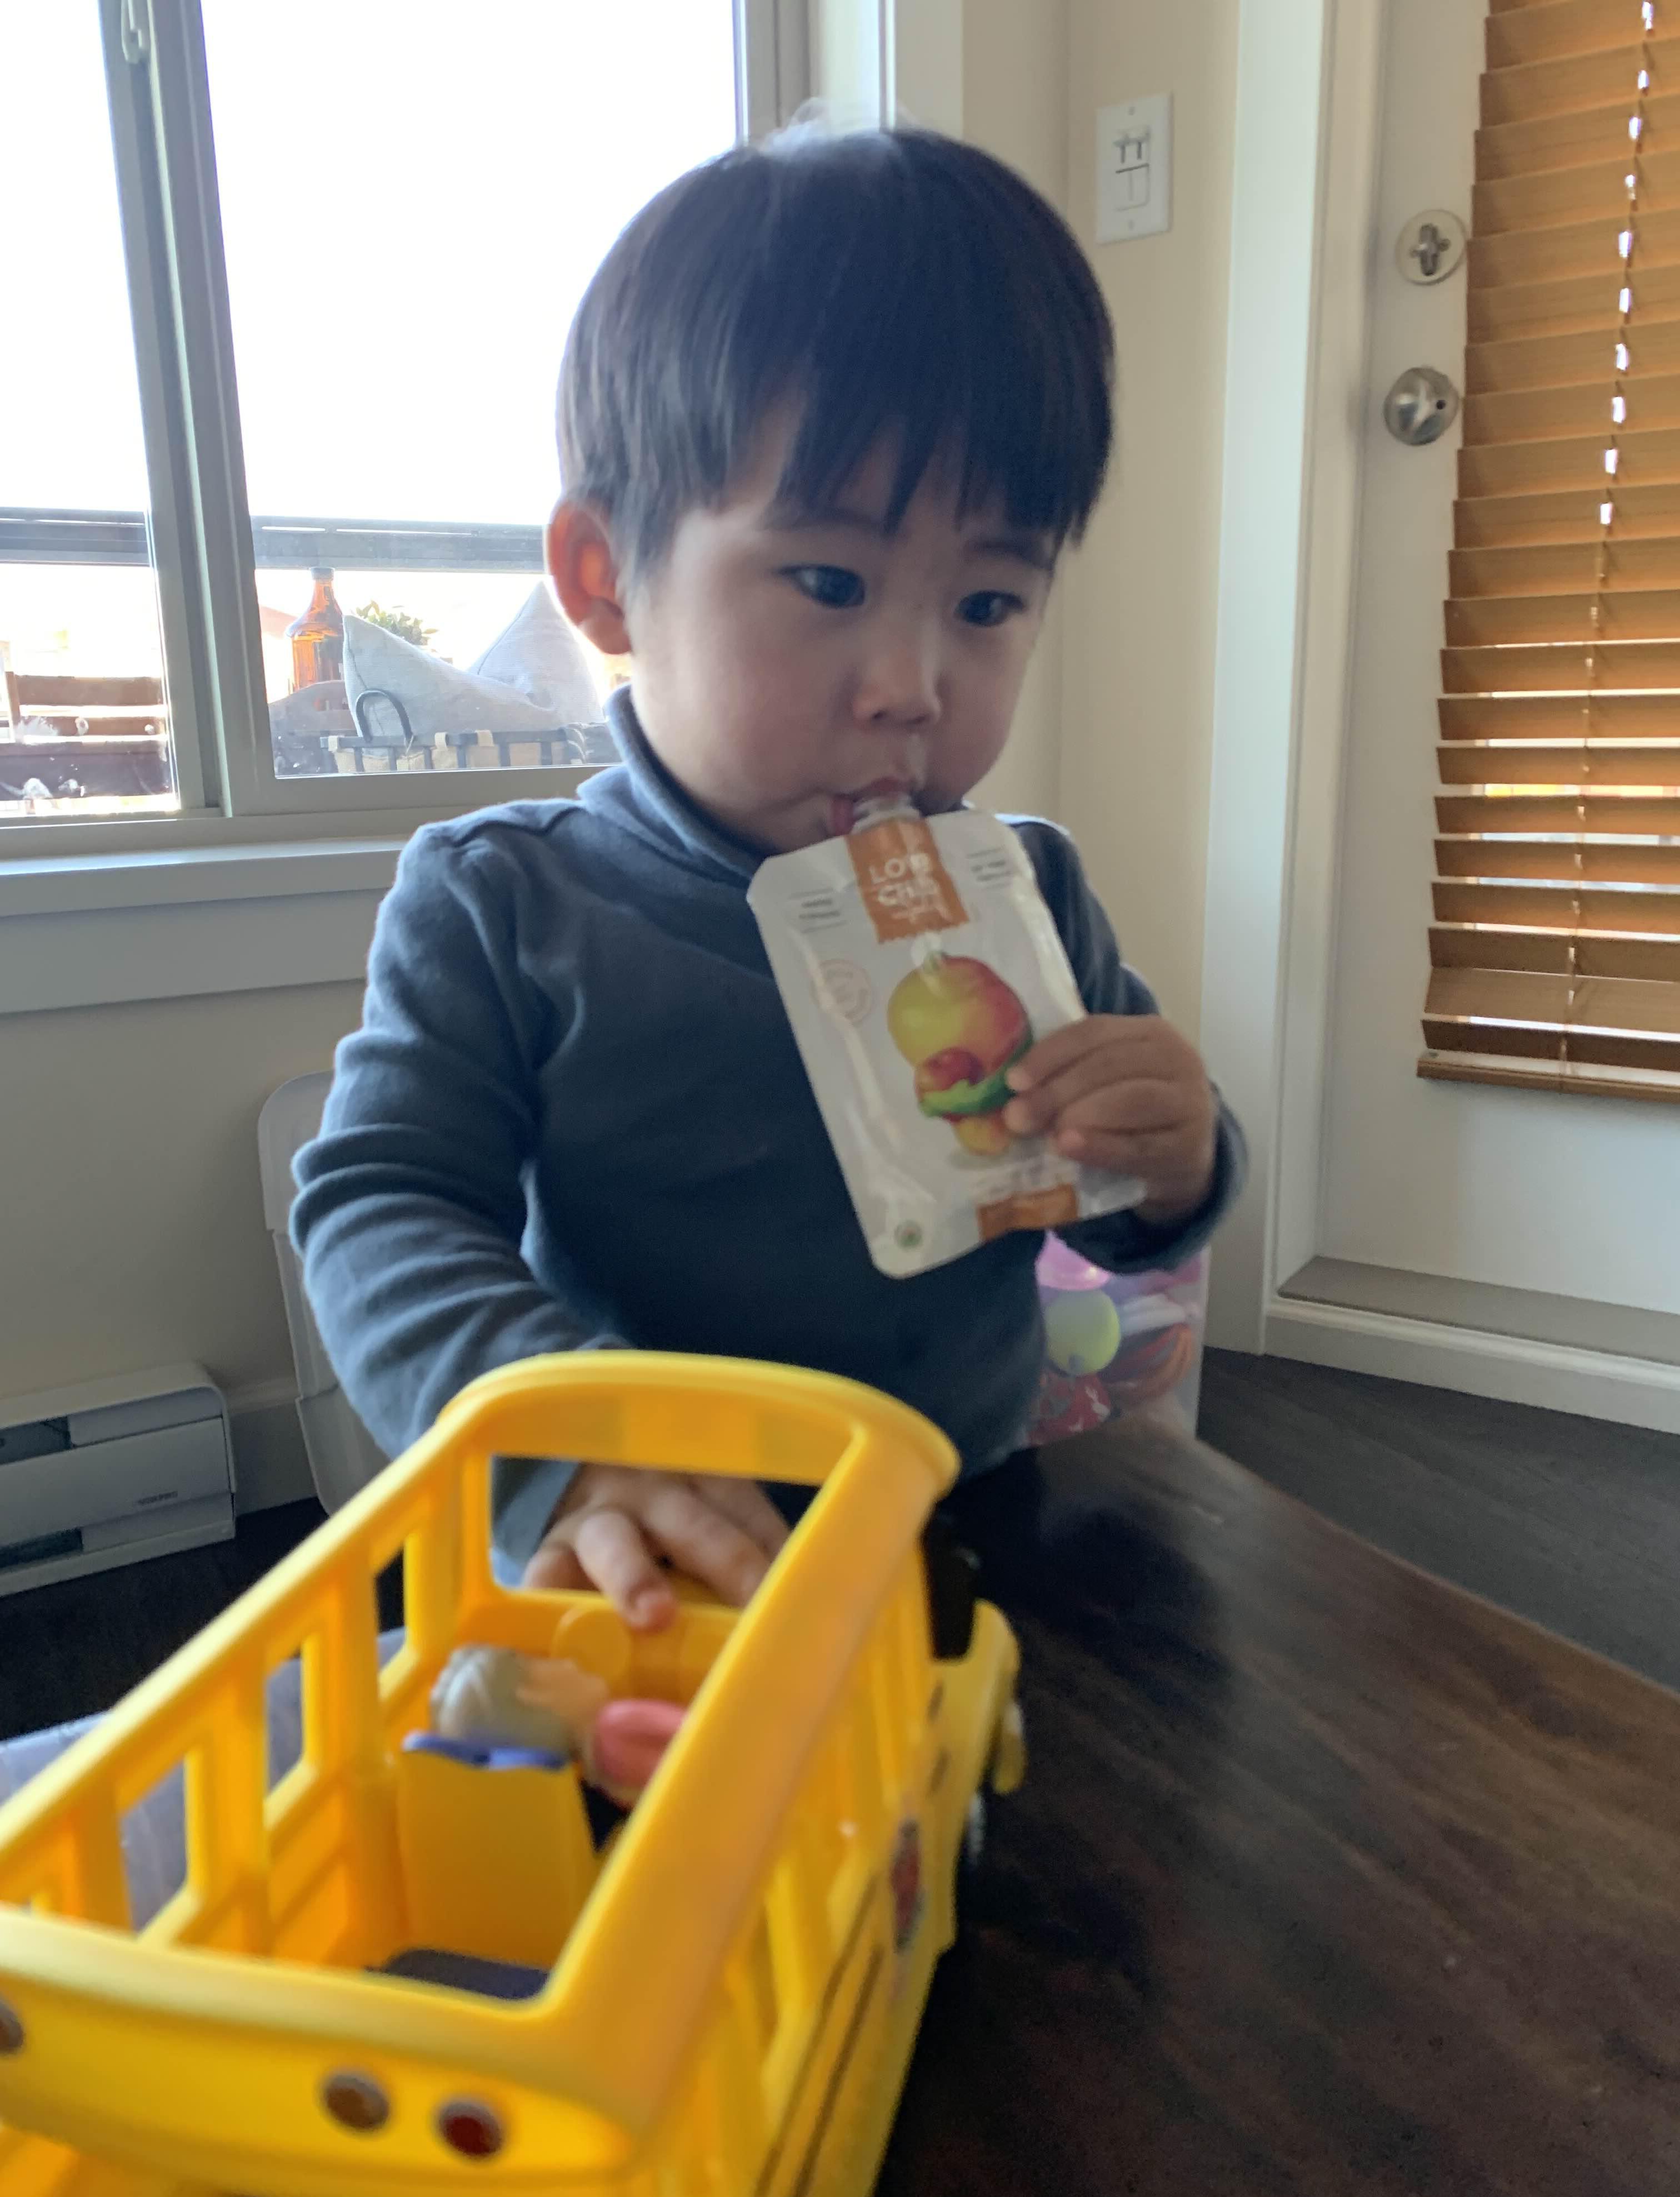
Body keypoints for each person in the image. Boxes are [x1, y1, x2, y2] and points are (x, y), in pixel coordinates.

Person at [292, 123, 1245, 1630]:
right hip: (638, 1574)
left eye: (988, 602)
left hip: (958, 1531)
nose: (911, 687)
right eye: (830, 582)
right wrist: (565, 1442)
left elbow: (1108, 1210)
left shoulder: (1028, 891)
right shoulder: (504, 905)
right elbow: (380, 1205)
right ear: (607, 580)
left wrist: (1177, 1154)